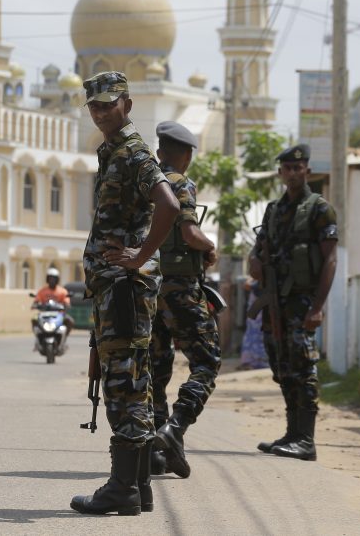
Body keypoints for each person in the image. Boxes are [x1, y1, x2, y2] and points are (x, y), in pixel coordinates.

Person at [70, 71, 179, 516]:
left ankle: (122, 489)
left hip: (124, 288)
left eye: (108, 104)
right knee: (134, 381)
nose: (100, 112)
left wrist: (138, 255)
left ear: (127, 106)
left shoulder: (133, 153)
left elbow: (169, 205)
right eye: (94, 106)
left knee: (125, 386)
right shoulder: (113, 151)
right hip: (114, 288)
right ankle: (138, 488)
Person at [248, 143, 338, 462]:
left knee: (303, 366)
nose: (293, 173)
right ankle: (291, 433)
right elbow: (258, 249)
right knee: (281, 365)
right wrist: (254, 262)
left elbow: (330, 260)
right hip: (275, 302)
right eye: (287, 168)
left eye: (298, 168)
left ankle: (306, 440)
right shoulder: (273, 210)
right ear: (280, 173)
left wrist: (317, 307)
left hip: (302, 301)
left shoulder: (319, 208)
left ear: (307, 171)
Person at [148, 121, 221, 480]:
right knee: (207, 361)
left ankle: (155, 454)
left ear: (160, 151)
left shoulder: (142, 183)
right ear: (188, 155)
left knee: (156, 368)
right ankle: (174, 429)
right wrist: (210, 247)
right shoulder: (179, 183)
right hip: (179, 288)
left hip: (146, 289)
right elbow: (191, 233)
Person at [34, 267, 74, 336]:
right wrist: (36, 304)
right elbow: (37, 300)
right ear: (47, 279)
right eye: (50, 278)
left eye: (54, 279)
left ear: (57, 280)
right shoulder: (42, 291)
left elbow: (66, 302)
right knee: (34, 319)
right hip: (45, 314)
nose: (52, 280)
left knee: (70, 321)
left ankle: (64, 338)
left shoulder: (62, 291)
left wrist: (66, 305)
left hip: (59, 314)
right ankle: (39, 338)